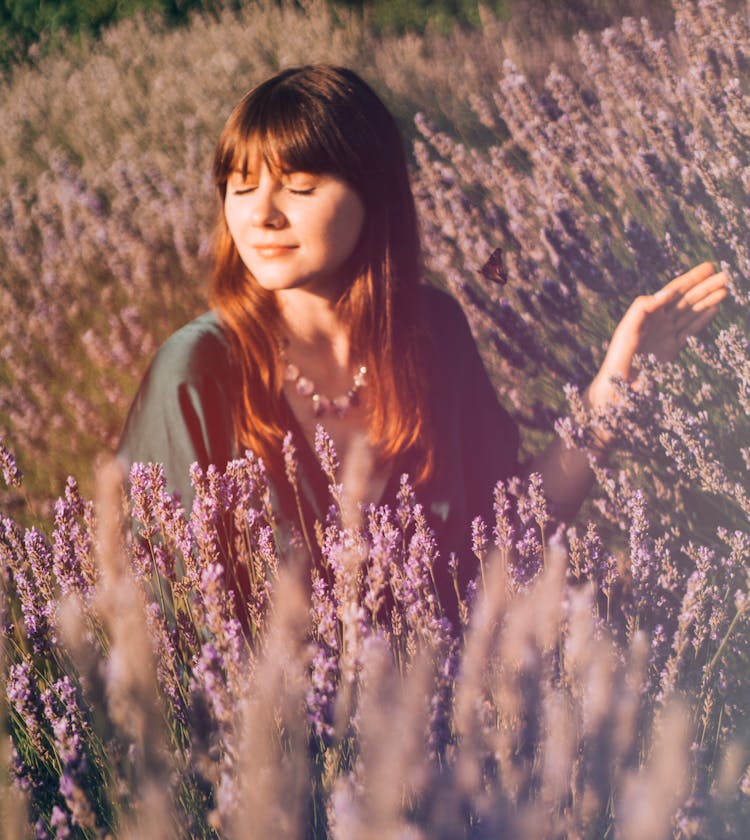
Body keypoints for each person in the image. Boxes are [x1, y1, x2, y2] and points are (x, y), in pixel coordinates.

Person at [118, 64, 727, 609]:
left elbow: (508, 533)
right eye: (240, 185)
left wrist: (609, 401)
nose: (261, 214)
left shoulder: (433, 331)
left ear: (373, 194)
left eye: (298, 186)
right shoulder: (197, 371)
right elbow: (159, 617)